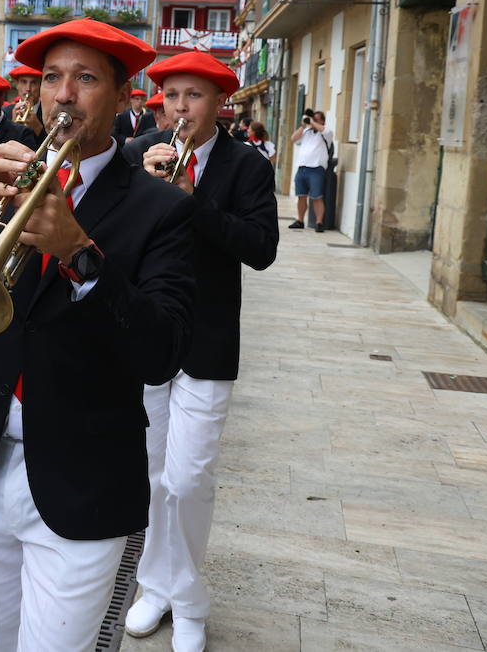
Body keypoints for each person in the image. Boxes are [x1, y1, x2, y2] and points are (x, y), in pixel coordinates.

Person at [0, 18, 197, 651]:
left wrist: (81, 254)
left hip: (83, 476)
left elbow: (161, 352)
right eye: (52, 78)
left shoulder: (162, 208)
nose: (63, 95)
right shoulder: (2, 177)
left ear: (123, 97)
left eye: (84, 79)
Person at [121, 51, 279, 650]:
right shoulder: (139, 155)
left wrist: (192, 197)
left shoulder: (246, 166)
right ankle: (156, 587)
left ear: (220, 104)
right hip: (148, 330)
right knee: (153, 474)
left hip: (209, 338)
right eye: (172, 96)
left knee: (189, 478)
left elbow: (260, 248)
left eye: (194, 96)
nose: (180, 109)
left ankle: (187, 600)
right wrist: (142, 188)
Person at [289, 108, 332, 232]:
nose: (314, 121)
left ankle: (319, 222)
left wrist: (312, 122)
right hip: (302, 168)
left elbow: (324, 130)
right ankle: (300, 220)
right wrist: (303, 126)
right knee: (301, 196)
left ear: (323, 121)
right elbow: (293, 139)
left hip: (316, 169)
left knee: (317, 197)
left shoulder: (326, 133)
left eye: (318, 119)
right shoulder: (306, 131)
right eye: (313, 118)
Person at [3, 63, 43, 135]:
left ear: (40, 86)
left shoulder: (49, 113)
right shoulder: (5, 113)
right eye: (24, 82)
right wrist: (12, 126)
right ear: (17, 85)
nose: (28, 89)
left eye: (33, 83)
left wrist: (38, 129)